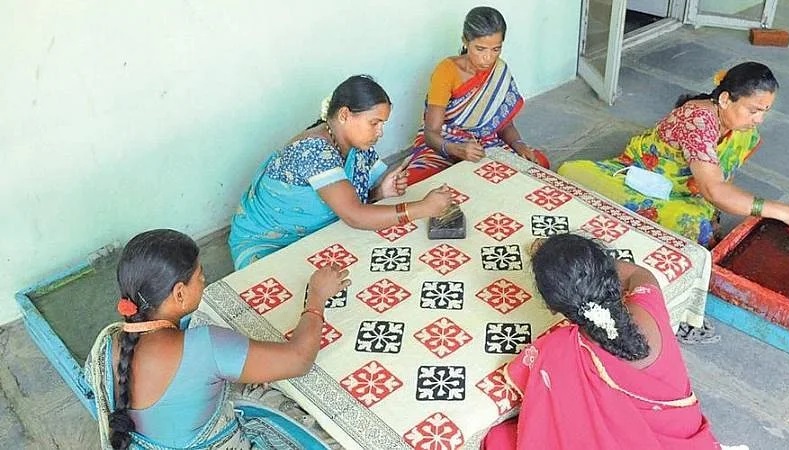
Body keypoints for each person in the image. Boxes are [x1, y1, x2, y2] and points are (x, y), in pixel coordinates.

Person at [86, 229, 349, 449]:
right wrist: (316, 296)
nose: (204, 280)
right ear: (179, 294)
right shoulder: (206, 346)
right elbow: (299, 359)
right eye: (200, 276)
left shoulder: (107, 343)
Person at [482, 233, 719, 449]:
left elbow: (537, 396)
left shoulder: (558, 348)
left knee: (496, 438)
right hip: (684, 442)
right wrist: (588, 268)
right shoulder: (648, 308)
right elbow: (639, 273)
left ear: (552, 308)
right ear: (609, 275)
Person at [558, 62, 789, 248]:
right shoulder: (697, 121)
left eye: (765, 111)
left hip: (697, 186)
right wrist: (776, 210)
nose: (760, 119)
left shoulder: (743, 130)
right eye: (754, 111)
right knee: (569, 174)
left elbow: (720, 179)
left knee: (694, 222)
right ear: (726, 99)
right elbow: (715, 190)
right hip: (645, 174)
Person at [228, 75, 453, 269]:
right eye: (374, 123)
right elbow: (354, 215)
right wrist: (423, 208)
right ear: (345, 115)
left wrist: (380, 192)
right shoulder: (313, 150)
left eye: (382, 124)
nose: (380, 132)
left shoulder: (356, 146)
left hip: (316, 234)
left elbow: (350, 201)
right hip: (269, 243)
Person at [404, 6, 551, 185]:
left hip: (485, 142)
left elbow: (504, 125)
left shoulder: (499, 70)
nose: (488, 58)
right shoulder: (446, 71)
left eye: (496, 49)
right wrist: (456, 150)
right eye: (480, 49)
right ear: (465, 41)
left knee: (538, 163)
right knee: (414, 182)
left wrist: (519, 145)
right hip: (444, 141)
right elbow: (431, 133)